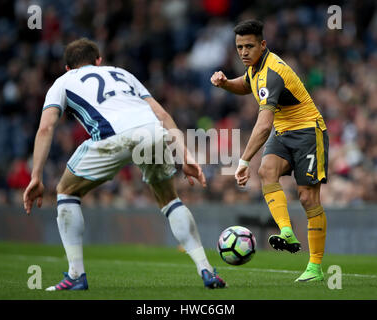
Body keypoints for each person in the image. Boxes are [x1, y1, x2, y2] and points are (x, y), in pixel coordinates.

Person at [23, 38, 226, 290]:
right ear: (98, 61)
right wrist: (184, 155)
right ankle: (206, 270)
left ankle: (76, 275)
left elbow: (46, 127)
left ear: (68, 68)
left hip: (112, 138)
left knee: (66, 191)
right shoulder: (122, 73)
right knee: (170, 200)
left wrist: (36, 176)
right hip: (152, 132)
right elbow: (162, 114)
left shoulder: (62, 82)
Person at [211, 20, 329, 282]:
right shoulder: (255, 68)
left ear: (262, 45)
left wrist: (242, 160)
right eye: (239, 47)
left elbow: (263, 126)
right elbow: (245, 85)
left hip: (308, 131)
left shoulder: (272, 72)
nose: (243, 52)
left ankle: (315, 267)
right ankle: (286, 231)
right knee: (266, 171)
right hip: (284, 131)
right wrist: (225, 83)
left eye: (249, 46)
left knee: (308, 198)